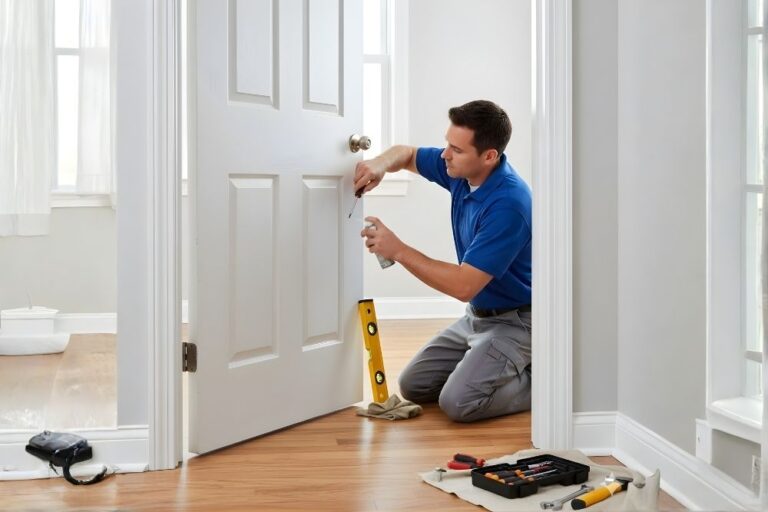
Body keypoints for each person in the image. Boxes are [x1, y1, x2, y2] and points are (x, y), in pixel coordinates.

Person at [353, 99, 532, 423]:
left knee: (458, 403)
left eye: (456, 149)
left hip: (516, 322)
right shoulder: (460, 172)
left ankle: (539, 378)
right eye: (447, 144)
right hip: (477, 317)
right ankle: (487, 361)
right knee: (413, 385)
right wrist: (379, 164)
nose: (445, 154)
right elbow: (406, 154)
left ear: (489, 156)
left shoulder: (509, 204)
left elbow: (464, 285)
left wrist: (398, 250)